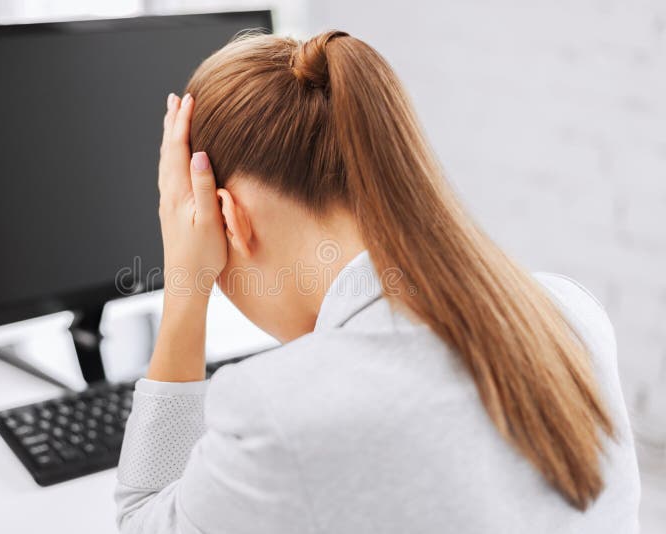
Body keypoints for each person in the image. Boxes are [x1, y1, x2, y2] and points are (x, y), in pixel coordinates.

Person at [114, 31, 640, 533]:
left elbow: (143, 519)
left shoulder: (278, 412)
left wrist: (186, 283)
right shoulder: (572, 313)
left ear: (225, 218)